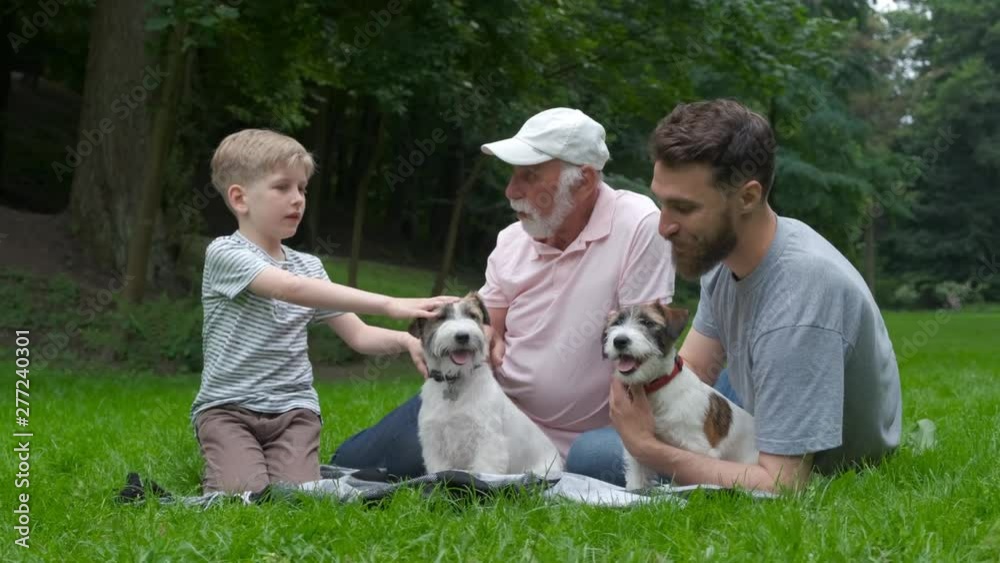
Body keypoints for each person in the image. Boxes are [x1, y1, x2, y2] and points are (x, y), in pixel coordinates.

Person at [331, 108, 677, 477]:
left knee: (597, 460)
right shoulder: (513, 239)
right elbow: (486, 329)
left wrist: (642, 442)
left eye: (530, 176)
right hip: (489, 409)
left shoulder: (639, 225)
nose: (512, 191)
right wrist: (476, 337)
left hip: (585, 435)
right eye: (513, 175)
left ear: (585, 181)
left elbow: (645, 348)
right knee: (352, 463)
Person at [607, 99, 902, 492]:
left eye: (683, 207)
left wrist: (647, 447)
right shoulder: (730, 255)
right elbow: (694, 367)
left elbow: (783, 483)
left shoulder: (798, 300)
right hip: (759, 393)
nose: (664, 227)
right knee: (599, 450)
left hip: (811, 458)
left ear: (747, 197)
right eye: (662, 202)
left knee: (596, 456)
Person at [192, 129, 455, 493]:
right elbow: (289, 289)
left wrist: (405, 340)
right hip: (228, 411)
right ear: (240, 198)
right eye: (282, 187)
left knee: (298, 496)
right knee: (244, 495)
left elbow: (359, 335)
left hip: (294, 414)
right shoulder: (225, 254)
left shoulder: (310, 267)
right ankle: (239, 466)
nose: (297, 199)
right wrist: (390, 304)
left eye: (302, 189)